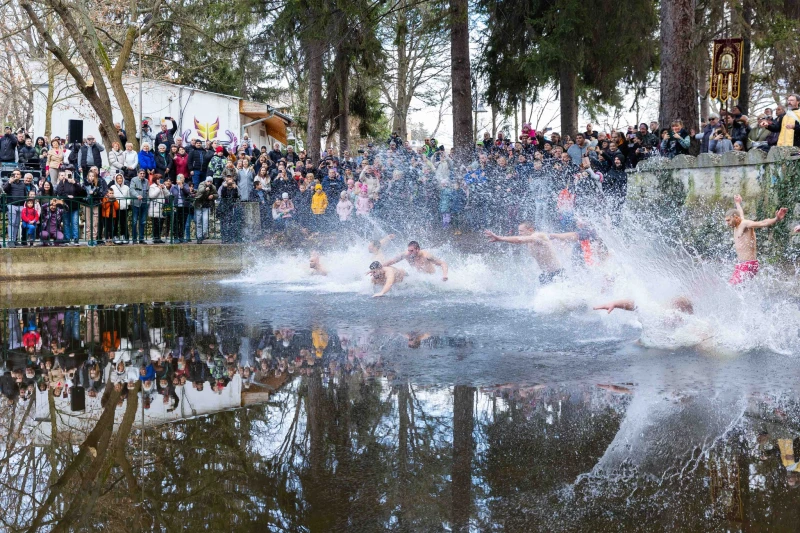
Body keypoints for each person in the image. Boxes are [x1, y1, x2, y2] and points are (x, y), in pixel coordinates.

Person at [725, 195, 787, 285]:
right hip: (742, 265)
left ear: (735, 217)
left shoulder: (745, 224)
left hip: (748, 264)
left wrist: (776, 219)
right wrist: (737, 203)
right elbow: (740, 213)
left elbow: (762, 223)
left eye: (728, 220)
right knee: (740, 289)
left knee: (731, 287)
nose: (727, 223)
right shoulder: (737, 223)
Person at [485, 222, 564, 285]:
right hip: (545, 275)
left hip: (557, 274)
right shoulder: (529, 243)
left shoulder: (539, 236)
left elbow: (519, 240)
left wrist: (501, 238)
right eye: (519, 231)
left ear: (530, 230)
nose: (519, 233)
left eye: (521, 231)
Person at [383, 241, 448, 281]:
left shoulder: (427, 256)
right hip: (418, 278)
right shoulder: (406, 255)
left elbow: (443, 263)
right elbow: (392, 261)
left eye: (411, 251)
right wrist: (379, 267)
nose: (409, 252)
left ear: (418, 249)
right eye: (408, 250)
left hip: (431, 278)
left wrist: (445, 275)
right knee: (400, 272)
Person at [194, 177, 217, 243]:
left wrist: (213, 196)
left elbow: (217, 195)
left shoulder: (213, 187)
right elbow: (200, 190)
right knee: (199, 221)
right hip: (198, 204)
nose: (209, 183)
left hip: (206, 206)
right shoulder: (201, 184)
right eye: (208, 181)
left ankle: (204, 234)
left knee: (205, 220)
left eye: (211, 182)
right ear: (206, 181)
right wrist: (205, 189)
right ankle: (199, 237)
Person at [129, 169, 149, 244]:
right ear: (138, 174)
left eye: (143, 173)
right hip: (136, 203)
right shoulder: (134, 180)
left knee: (143, 222)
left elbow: (147, 191)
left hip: (144, 203)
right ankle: (134, 239)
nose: (142, 175)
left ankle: (141, 238)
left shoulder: (146, 181)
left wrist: (148, 201)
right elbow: (131, 189)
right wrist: (137, 195)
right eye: (141, 173)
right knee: (134, 221)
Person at [110, 174, 130, 244]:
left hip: (124, 208)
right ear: (115, 179)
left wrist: (127, 203)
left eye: (120, 178)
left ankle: (123, 235)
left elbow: (128, 197)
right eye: (117, 178)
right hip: (116, 208)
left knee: (123, 223)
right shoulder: (113, 187)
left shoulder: (126, 187)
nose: (119, 180)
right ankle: (115, 236)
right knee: (115, 223)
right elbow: (111, 196)